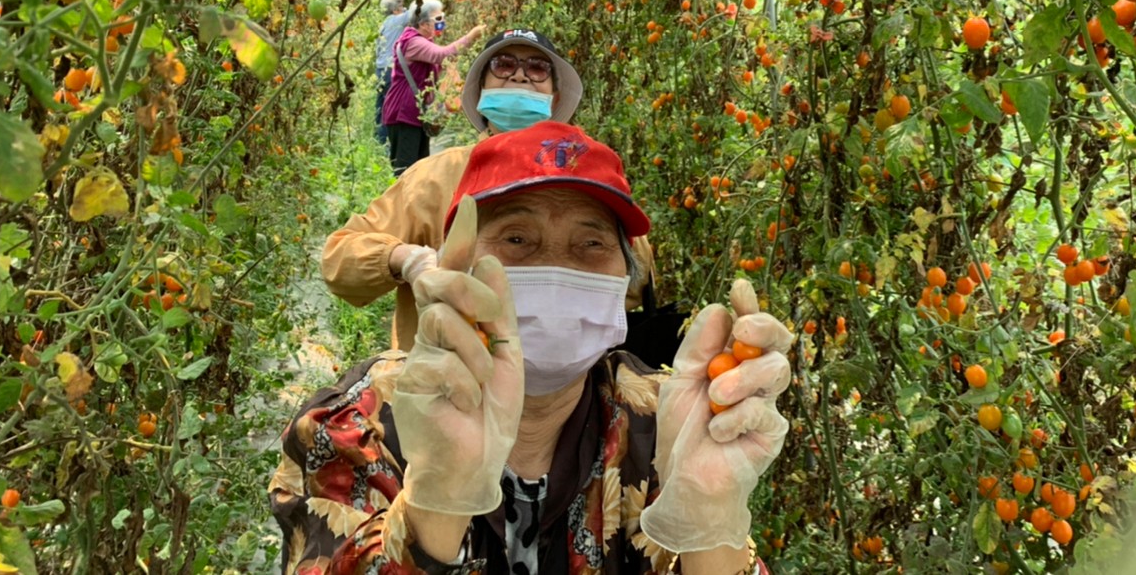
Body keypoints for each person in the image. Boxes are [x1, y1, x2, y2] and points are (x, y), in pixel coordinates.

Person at [272, 121, 792, 575]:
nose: (558, 266)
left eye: (591, 244)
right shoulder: (356, 427)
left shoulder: (663, 427)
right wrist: (437, 502)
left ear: (625, 279)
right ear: (457, 265)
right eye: (517, 239)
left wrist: (707, 518)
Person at [324, 27, 655, 351]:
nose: (520, 76)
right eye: (504, 65)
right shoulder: (437, 177)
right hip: (443, 383)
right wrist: (405, 259)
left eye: (538, 68)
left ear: (554, 98)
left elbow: (635, 280)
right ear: (481, 89)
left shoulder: (584, 172)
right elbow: (340, 259)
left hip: (561, 391)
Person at [381, 0, 484, 176]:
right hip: (403, 114)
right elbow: (443, 54)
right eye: (438, 19)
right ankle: (400, 204)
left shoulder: (422, 41)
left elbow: (442, 59)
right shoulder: (412, 42)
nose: (442, 23)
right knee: (406, 172)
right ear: (423, 24)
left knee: (419, 171)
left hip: (415, 114)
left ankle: (414, 203)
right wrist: (472, 36)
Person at [373, 0, 410, 145]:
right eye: (401, 6)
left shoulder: (384, 24)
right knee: (392, 108)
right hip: (390, 70)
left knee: (381, 107)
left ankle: (377, 142)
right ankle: (388, 146)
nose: (404, 8)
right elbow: (418, 10)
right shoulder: (397, 21)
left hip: (380, 70)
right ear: (395, 10)